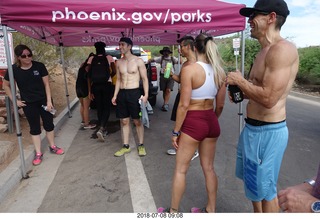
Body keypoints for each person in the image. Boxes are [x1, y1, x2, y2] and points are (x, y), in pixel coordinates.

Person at [226, 0, 299, 212]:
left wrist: (240, 82)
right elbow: (259, 90)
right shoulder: (263, 52)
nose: (249, 20)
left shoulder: (283, 50)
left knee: (267, 191)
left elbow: (269, 99)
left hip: (268, 132)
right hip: (252, 129)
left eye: (254, 15)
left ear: (271, 17)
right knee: (253, 185)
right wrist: (243, 92)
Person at [158, 33, 226, 213]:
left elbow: (184, 104)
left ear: (195, 48)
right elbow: (220, 105)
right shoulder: (219, 71)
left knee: (180, 170)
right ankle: (210, 210)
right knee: (209, 168)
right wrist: (211, 121)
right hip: (211, 120)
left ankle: (173, 212)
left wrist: (175, 131)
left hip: (193, 121)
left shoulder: (190, 69)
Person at [3, 44, 65, 166]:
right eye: (24, 56)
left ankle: (52, 146)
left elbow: (47, 84)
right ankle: (38, 153)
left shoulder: (39, 66)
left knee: (49, 124)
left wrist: (49, 101)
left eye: (29, 55)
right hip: (28, 103)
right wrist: (14, 100)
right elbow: (6, 85)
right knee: (34, 128)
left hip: (43, 100)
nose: (27, 58)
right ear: (18, 57)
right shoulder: (13, 69)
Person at [112, 37, 149, 157]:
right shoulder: (118, 62)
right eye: (119, 44)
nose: (121, 47)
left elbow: (144, 79)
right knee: (124, 121)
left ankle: (141, 145)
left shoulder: (138, 61)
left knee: (137, 121)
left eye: (123, 44)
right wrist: (115, 95)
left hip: (134, 93)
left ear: (129, 46)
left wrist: (146, 95)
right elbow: (118, 80)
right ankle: (126, 146)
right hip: (122, 93)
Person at [166, 35, 199, 160]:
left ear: (189, 47)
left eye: (181, 47)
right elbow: (181, 80)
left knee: (188, 123)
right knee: (180, 121)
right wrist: (170, 75)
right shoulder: (185, 64)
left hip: (191, 98)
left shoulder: (197, 64)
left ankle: (192, 150)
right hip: (181, 95)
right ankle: (180, 145)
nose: (179, 50)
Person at [86, 41, 116, 142]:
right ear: (104, 49)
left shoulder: (91, 58)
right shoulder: (109, 57)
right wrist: (108, 77)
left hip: (95, 85)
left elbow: (88, 74)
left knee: (99, 107)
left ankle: (101, 126)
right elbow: (114, 70)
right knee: (106, 106)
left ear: (95, 49)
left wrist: (90, 91)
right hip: (106, 85)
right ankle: (103, 127)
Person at [149, 47, 178, 111]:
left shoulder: (173, 58)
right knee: (164, 91)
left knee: (168, 90)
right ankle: (165, 103)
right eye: (165, 51)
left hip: (171, 76)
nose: (166, 53)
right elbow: (152, 59)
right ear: (163, 52)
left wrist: (180, 55)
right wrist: (148, 61)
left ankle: (166, 104)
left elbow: (180, 62)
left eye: (167, 51)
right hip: (163, 76)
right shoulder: (161, 58)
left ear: (169, 52)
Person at [76, 52, 96, 129]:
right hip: (85, 87)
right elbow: (88, 79)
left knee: (82, 105)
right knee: (86, 107)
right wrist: (90, 91)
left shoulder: (82, 65)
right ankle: (87, 124)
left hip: (78, 87)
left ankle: (84, 121)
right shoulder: (89, 67)